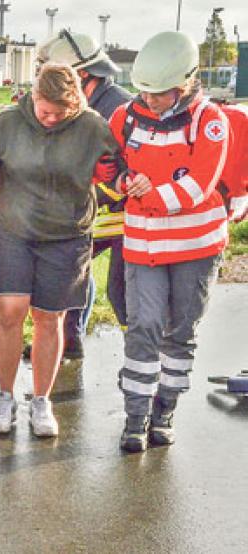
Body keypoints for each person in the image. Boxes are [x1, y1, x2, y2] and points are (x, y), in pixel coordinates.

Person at [0, 63, 119, 438]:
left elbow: (115, 167)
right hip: (10, 231)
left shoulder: (93, 127)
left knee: (50, 317)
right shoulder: (5, 123)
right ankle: (4, 397)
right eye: (45, 111)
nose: (51, 119)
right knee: (10, 311)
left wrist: (121, 179)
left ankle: (42, 400)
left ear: (75, 104)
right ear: (34, 95)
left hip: (65, 236)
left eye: (60, 114)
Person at [109, 32, 231, 452]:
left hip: (195, 247)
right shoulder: (125, 117)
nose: (150, 99)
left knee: (180, 332)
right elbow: (107, 164)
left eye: (159, 93)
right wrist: (122, 182)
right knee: (143, 327)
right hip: (144, 246)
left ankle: (165, 412)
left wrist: (150, 194)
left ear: (185, 83)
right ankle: (135, 418)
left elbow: (200, 185)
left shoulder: (209, 121)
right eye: (144, 91)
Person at [35, 30, 132, 360]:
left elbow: (123, 169)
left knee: (121, 292)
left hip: (122, 216)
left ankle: (142, 360)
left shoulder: (117, 108)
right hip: (87, 215)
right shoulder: (80, 105)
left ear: (84, 75)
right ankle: (69, 342)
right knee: (69, 273)